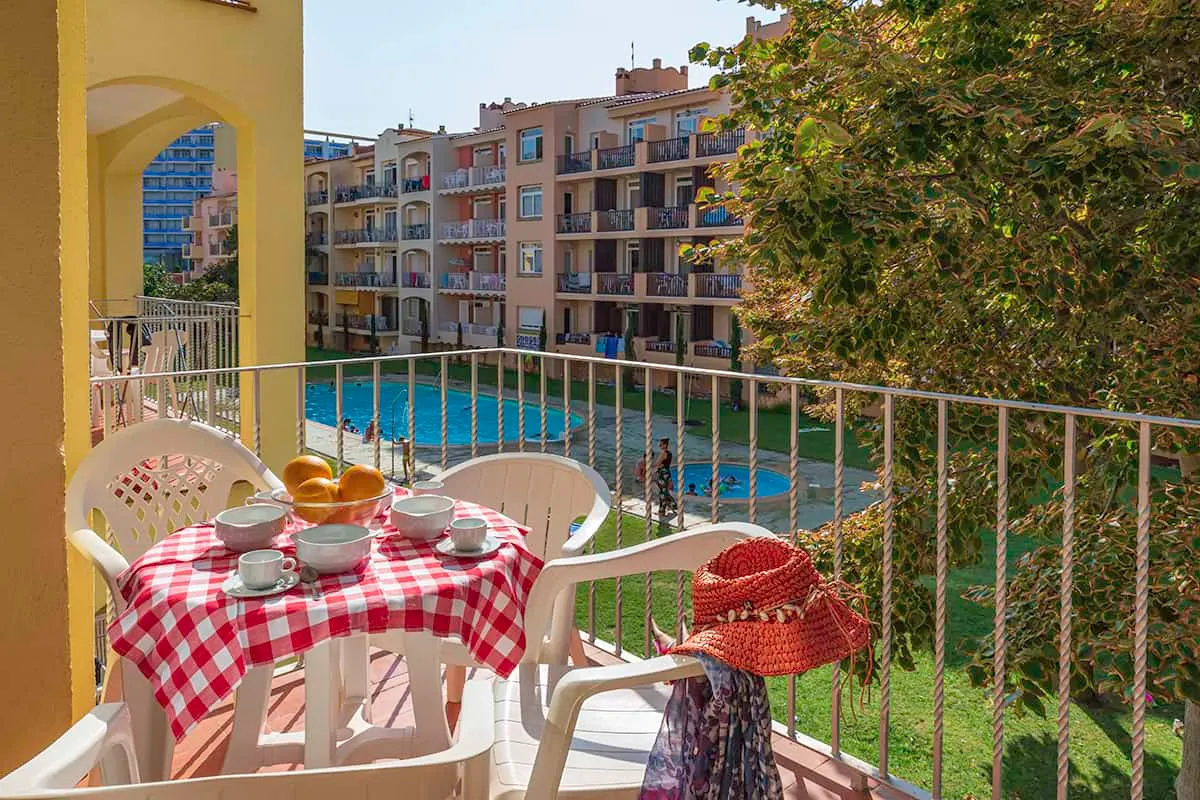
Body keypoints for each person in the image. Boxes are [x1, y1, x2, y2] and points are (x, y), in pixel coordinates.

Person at [654, 437, 676, 517]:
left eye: (661, 444)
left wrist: (658, 465)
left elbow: (657, 463)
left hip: (662, 475)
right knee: (664, 491)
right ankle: (673, 505)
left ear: (665, 445)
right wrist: (660, 465)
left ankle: (662, 511)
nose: (659, 445)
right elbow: (664, 464)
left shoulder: (663, 453)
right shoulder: (669, 453)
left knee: (662, 493)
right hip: (667, 473)